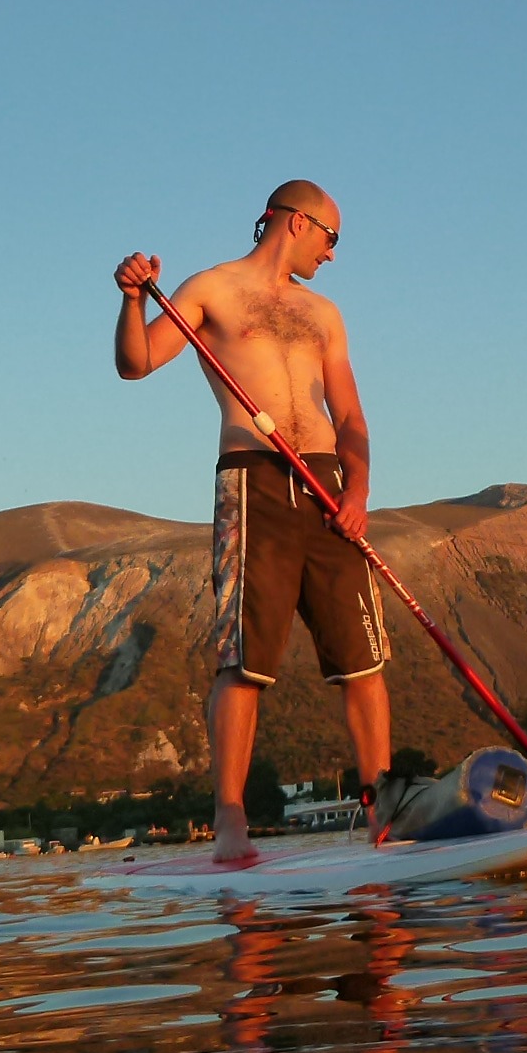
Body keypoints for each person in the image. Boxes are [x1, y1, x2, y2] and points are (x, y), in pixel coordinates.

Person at [113, 181, 390, 866]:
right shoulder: (213, 288)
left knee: (363, 661)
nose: (333, 254)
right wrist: (130, 300)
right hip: (254, 480)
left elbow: (351, 417)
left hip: (327, 486)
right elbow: (137, 363)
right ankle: (231, 822)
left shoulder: (325, 312)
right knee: (244, 661)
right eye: (332, 238)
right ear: (299, 222)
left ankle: (383, 807)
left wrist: (357, 492)